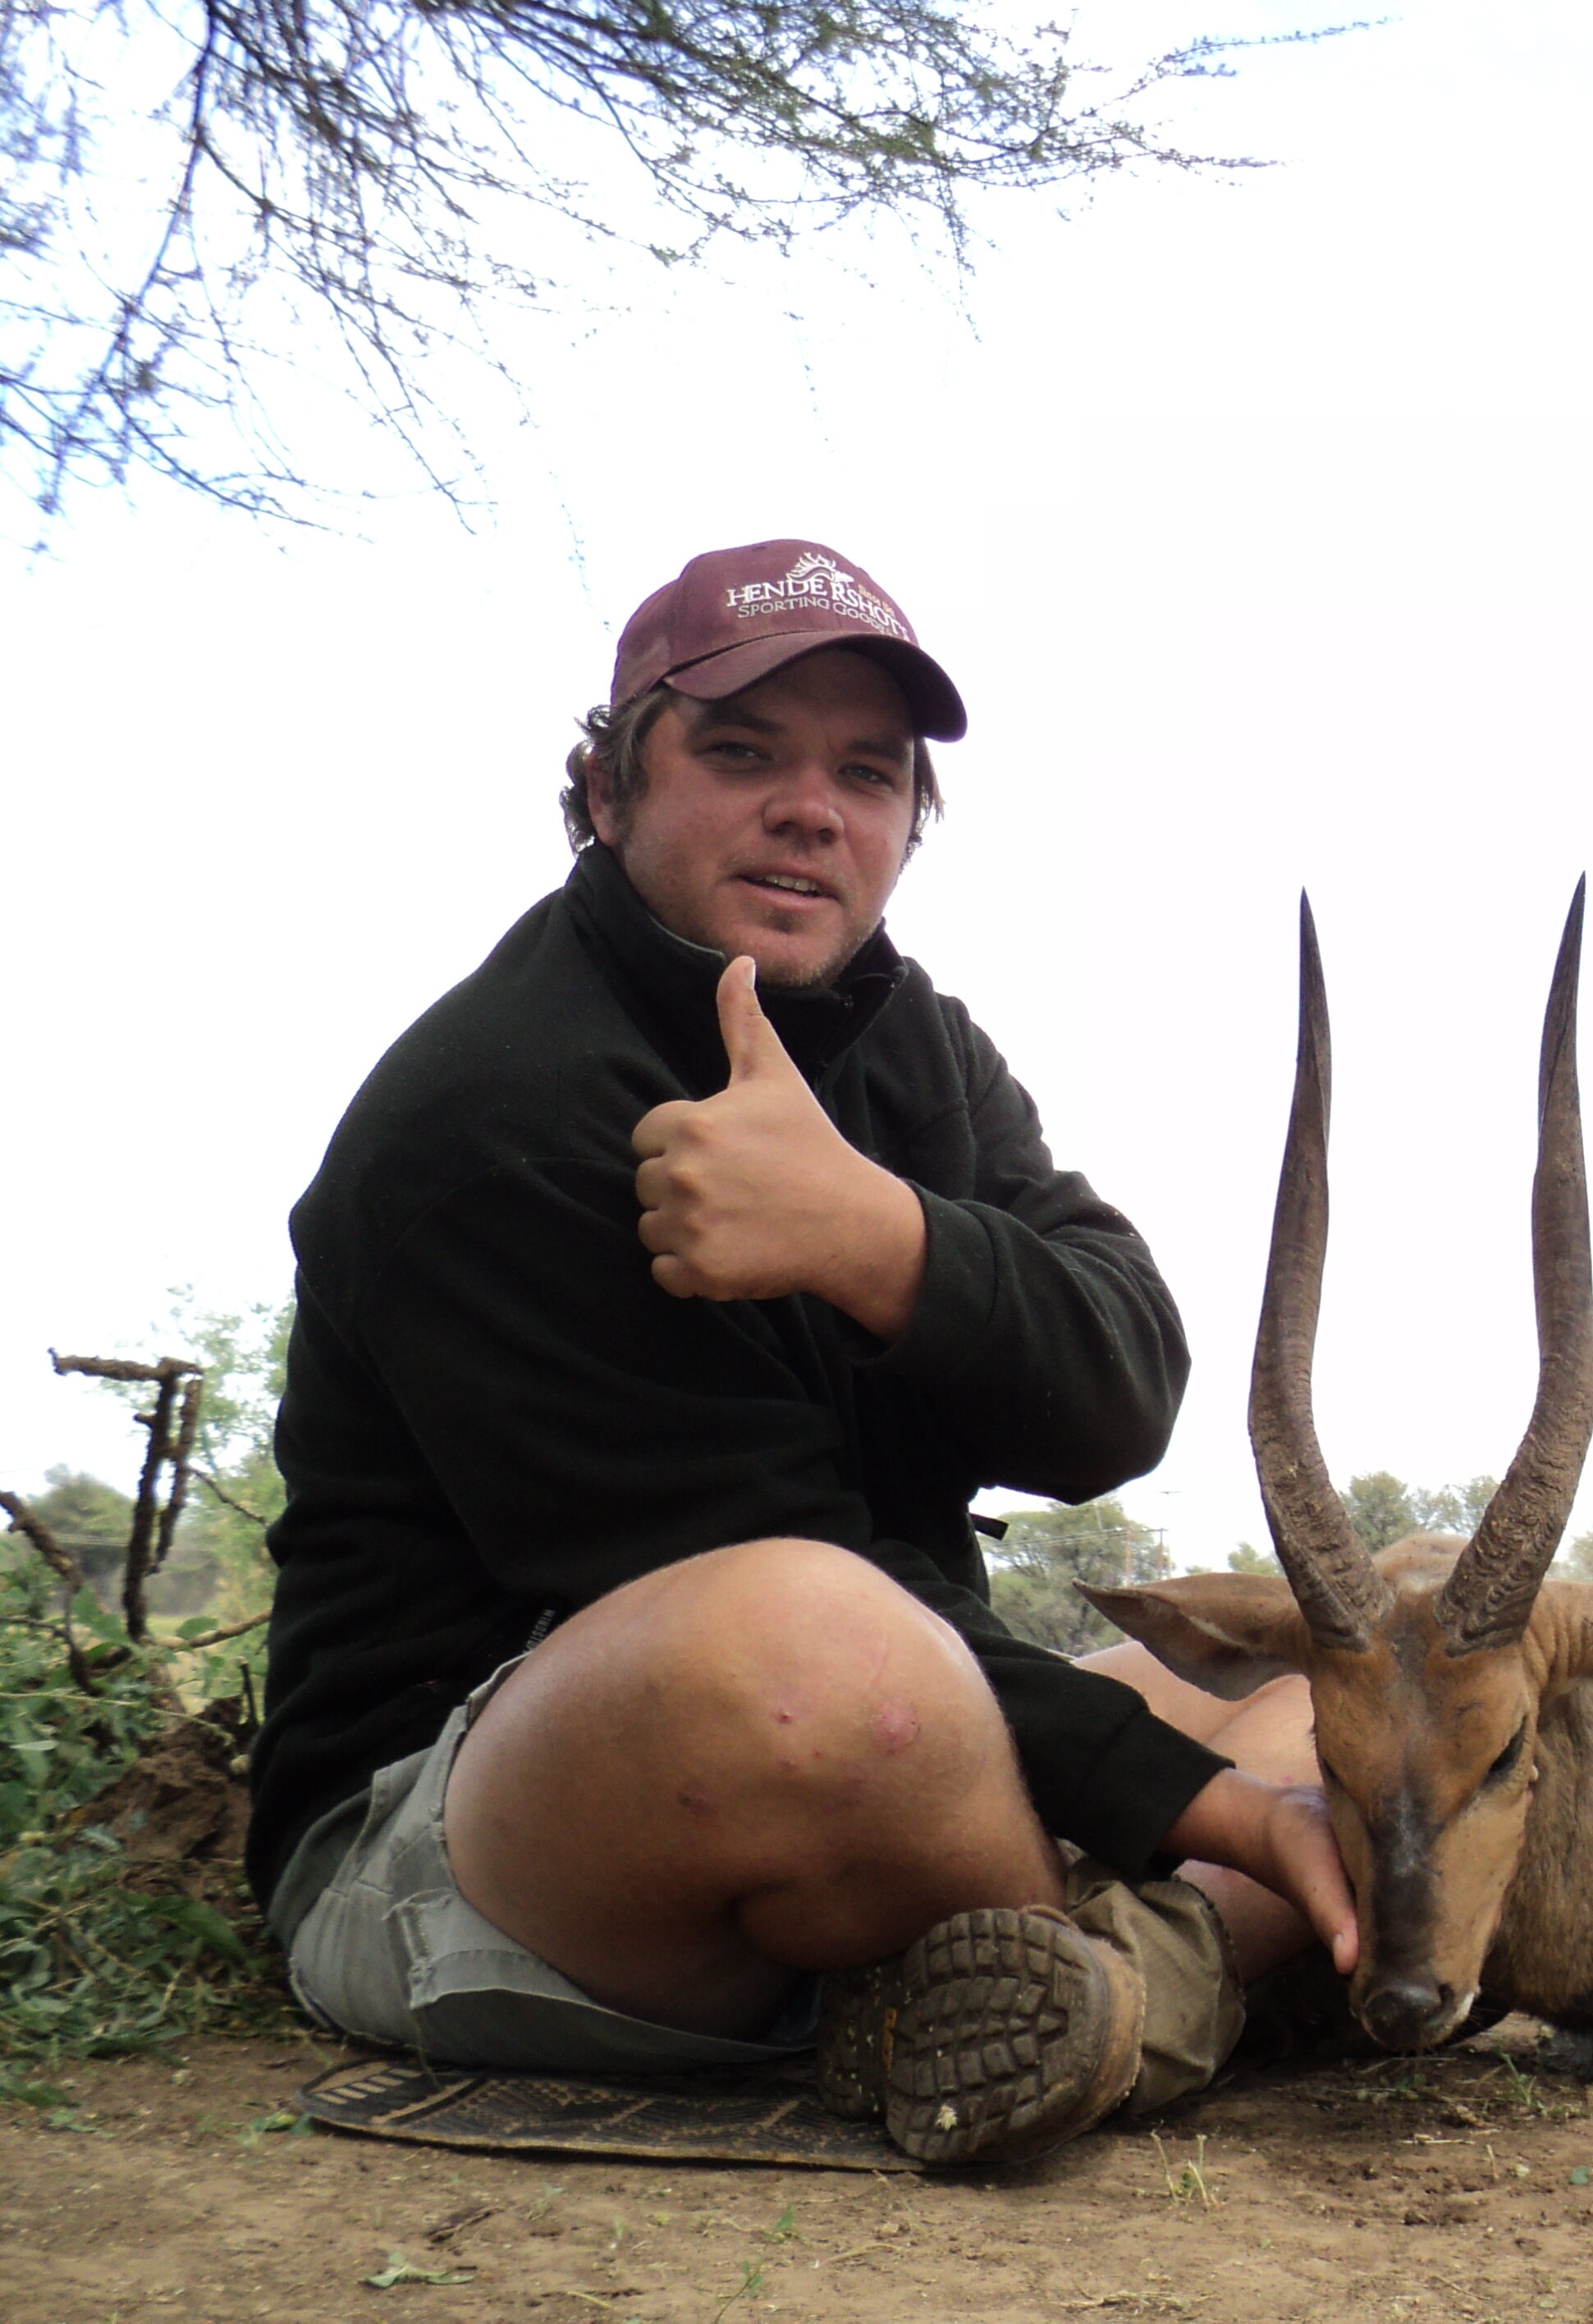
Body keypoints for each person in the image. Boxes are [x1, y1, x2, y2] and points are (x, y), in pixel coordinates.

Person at [248, 538, 1352, 2168]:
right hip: (482, 1823)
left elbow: (1119, 1389)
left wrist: (879, 1240)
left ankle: (1064, 1990)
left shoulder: (914, 1042)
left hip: (921, 1725)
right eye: (741, 751)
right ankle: (1175, 1968)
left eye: (867, 773)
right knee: (816, 1648)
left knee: (1360, 1669)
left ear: (910, 825)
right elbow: (752, 1577)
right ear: (607, 793)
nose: (811, 808)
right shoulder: (493, 1114)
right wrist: (1228, 1817)